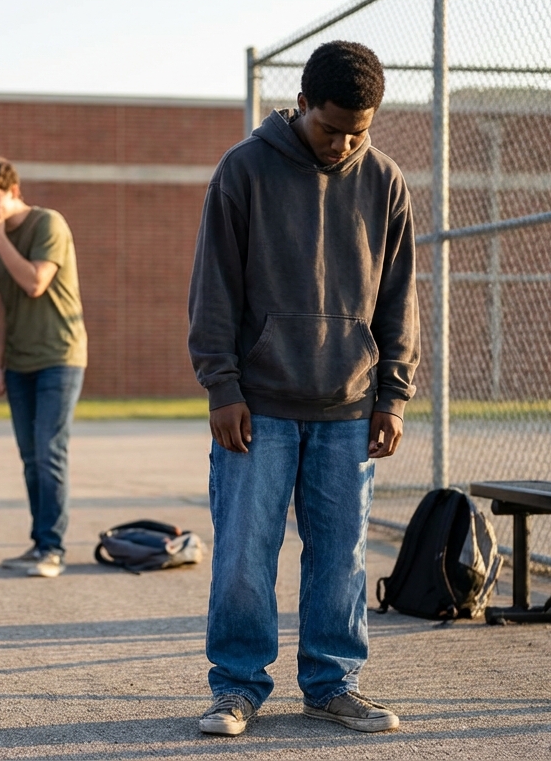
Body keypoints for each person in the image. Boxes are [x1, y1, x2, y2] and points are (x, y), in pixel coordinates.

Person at [187, 41, 419, 735]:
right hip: (258, 405)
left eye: (359, 130)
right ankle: (236, 688)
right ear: (302, 104)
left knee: (342, 555)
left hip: (349, 403)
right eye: (330, 128)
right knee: (242, 556)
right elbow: (214, 289)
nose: (343, 143)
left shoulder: (385, 181)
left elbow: (401, 297)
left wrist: (394, 395)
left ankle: (333, 683)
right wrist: (221, 386)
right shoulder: (244, 170)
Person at [0, 156, 87, 579]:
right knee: (30, 456)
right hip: (18, 363)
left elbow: (35, 283)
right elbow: (1, 301)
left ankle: (52, 549)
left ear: (14, 192)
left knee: (49, 451)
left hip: (59, 356)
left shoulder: (47, 224)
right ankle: (39, 543)